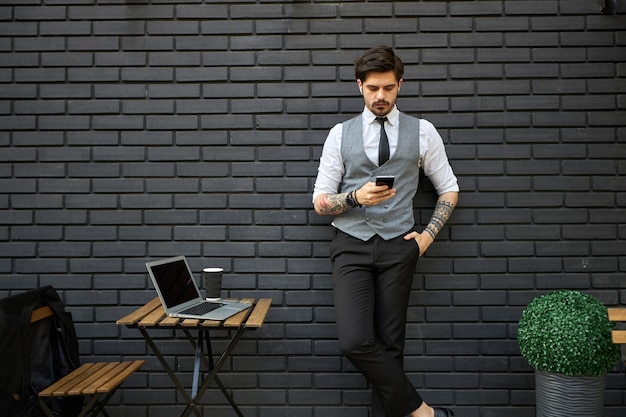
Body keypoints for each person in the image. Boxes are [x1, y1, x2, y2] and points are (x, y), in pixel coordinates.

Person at [312, 46, 459, 417]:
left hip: (400, 246)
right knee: (355, 341)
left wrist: (427, 236)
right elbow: (320, 201)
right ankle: (422, 412)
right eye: (373, 88)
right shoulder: (339, 134)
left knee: (391, 345)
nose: (381, 96)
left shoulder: (423, 132)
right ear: (360, 86)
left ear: (400, 86)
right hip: (350, 246)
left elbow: (449, 188)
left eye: (389, 88)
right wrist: (355, 197)